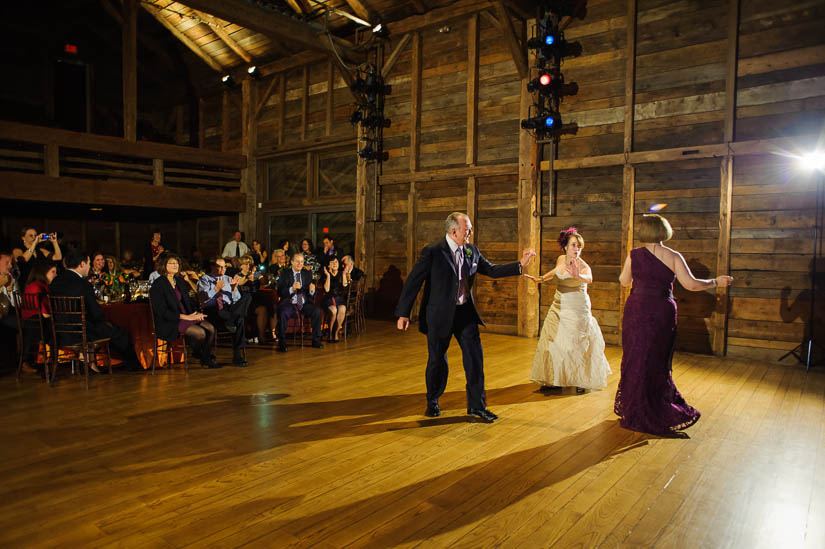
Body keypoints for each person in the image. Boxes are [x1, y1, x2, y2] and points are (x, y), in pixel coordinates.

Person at [395, 212, 536, 422]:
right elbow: (413, 282)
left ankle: (477, 407)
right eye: (467, 229)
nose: (470, 232)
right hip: (439, 316)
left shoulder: (471, 251)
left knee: (475, 360)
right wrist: (403, 313)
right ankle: (433, 400)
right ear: (454, 231)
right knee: (437, 361)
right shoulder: (433, 252)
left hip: (464, 314)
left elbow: (492, 270)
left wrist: (520, 264)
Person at [615, 214, 733, 435]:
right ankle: (654, 406)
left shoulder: (634, 255)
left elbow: (623, 281)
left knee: (635, 356)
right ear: (663, 231)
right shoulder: (673, 256)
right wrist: (716, 281)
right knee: (657, 360)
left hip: (637, 309)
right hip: (661, 310)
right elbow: (691, 284)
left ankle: (634, 408)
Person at [525, 227, 611, 393]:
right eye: (573, 245)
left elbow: (589, 278)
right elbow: (557, 271)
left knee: (575, 344)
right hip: (558, 304)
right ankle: (553, 379)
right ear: (565, 247)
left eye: (579, 246)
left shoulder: (582, 265)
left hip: (577, 308)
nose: (576, 249)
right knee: (551, 340)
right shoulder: (561, 259)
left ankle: (580, 379)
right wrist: (541, 278)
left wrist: (578, 275)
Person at [50, 250, 138, 371]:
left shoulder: (55, 281)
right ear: (82, 264)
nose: (89, 267)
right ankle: (133, 368)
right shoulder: (83, 284)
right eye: (89, 263)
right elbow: (96, 314)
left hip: (58, 330)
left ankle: (91, 364)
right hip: (82, 332)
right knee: (120, 333)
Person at [150, 254, 219, 369]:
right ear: (164, 265)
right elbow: (161, 311)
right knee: (200, 333)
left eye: (177, 263)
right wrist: (184, 317)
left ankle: (204, 357)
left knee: (211, 329)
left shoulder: (179, 281)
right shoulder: (158, 285)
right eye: (172, 263)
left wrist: (195, 314)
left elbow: (188, 301)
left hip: (186, 315)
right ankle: (202, 355)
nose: (175, 265)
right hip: (171, 320)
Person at [197, 256, 251, 366]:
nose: (222, 269)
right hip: (213, 310)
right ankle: (237, 356)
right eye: (219, 267)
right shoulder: (204, 280)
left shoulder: (227, 279)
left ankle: (231, 321)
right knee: (239, 319)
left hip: (228, 309)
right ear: (212, 267)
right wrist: (216, 289)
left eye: (224, 267)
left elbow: (236, 300)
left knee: (247, 297)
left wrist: (234, 288)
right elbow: (204, 301)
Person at [276, 252, 323, 352]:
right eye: (297, 261)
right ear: (292, 262)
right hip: (290, 303)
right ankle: (282, 342)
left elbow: (311, 293)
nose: (300, 264)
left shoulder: (307, 273)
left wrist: (312, 290)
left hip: (304, 304)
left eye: (302, 262)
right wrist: (292, 289)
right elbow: (280, 292)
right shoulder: (284, 273)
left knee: (317, 311)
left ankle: (316, 340)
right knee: (283, 312)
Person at [19, 261, 57, 374]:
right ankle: (53, 361)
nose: (55, 275)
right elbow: (46, 313)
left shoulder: (32, 285)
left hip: (28, 323)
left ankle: (50, 359)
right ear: (43, 273)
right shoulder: (41, 287)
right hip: (37, 327)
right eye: (53, 272)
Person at [322, 257, 348, 342]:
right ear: (328, 265)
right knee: (333, 310)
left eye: (336, 262)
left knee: (342, 309)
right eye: (332, 262)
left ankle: (336, 332)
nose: (335, 264)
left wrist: (344, 275)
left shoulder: (341, 273)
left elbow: (345, 286)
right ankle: (329, 332)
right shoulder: (326, 274)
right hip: (329, 299)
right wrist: (328, 276)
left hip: (339, 299)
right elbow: (326, 290)